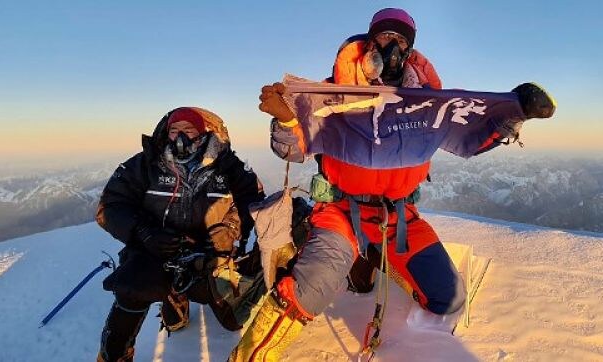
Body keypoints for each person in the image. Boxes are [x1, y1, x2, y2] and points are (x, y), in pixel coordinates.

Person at [230, 7, 556, 361]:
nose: (393, 47)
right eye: (385, 38)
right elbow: (292, 150)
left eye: (401, 41)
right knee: (308, 292)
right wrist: (285, 120)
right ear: (370, 42)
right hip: (340, 214)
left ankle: (372, 257)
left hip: (399, 219)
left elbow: (469, 137)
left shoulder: (429, 104)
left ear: (411, 50)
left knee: (449, 297)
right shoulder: (333, 94)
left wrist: (512, 114)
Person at [95, 106, 266, 362]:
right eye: (174, 130)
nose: (180, 137)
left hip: (211, 256)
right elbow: (110, 206)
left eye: (189, 130)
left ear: (205, 134)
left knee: (233, 320)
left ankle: (178, 296)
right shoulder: (146, 164)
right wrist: (143, 232)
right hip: (155, 252)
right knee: (131, 287)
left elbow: (254, 202)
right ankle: (114, 356)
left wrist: (230, 229)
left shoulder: (228, 167)